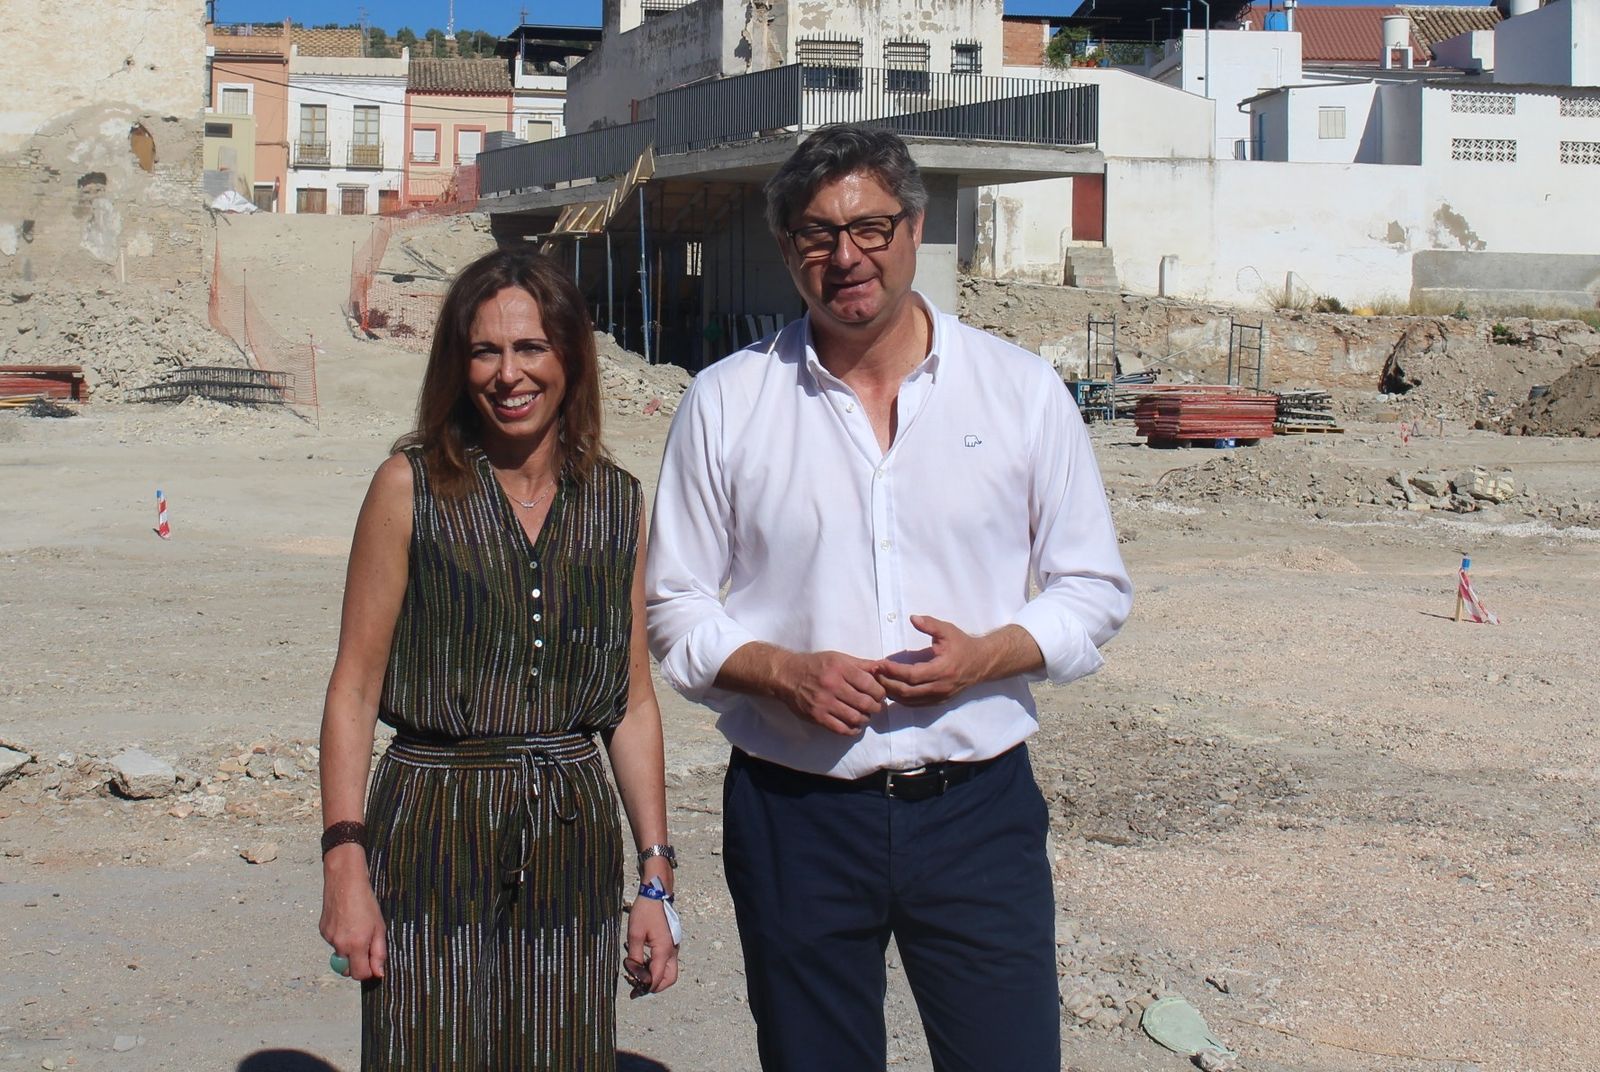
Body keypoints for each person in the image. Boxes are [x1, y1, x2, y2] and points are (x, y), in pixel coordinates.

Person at [645, 125, 1132, 1071]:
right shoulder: (725, 402)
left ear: (913, 227)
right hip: (797, 818)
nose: (846, 257)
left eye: (870, 227)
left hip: (977, 815)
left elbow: (1093, 589)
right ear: (788, 249)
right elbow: (673, 606)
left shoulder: (1022, 393)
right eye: (817, 235)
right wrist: (781, 673)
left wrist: (988, 654)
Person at [318, 248, 679, 1070]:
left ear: (570, 358)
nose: (509, 374)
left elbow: (631, 699)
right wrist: (345, 858)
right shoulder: (408, 488)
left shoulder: (618, 501)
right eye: (486, 351)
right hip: (431, 822)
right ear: (458, 363)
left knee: (561, 1052)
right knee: (425, 1049)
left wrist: (655, 877)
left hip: (570, 833)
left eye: (530, 349)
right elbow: (353, 689)